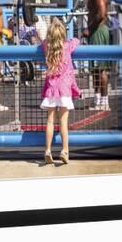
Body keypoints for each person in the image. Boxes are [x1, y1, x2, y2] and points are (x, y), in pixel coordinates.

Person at [40, 18, 81, 164]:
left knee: (50, 121)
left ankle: (48, 150)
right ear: (63, 36)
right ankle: (65, 151)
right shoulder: (68, 46)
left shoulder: (47, 47)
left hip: (51, 90)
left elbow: (43, 41)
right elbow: (77, 40)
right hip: (64, 90)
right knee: (63, 122)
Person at [79, 0, 111, 111]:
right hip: (96, 32)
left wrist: (89, 29)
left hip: (98, 31)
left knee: (101, 69)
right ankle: (98, 100)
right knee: (95, 69)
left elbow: (101, 14)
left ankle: (104, 102)